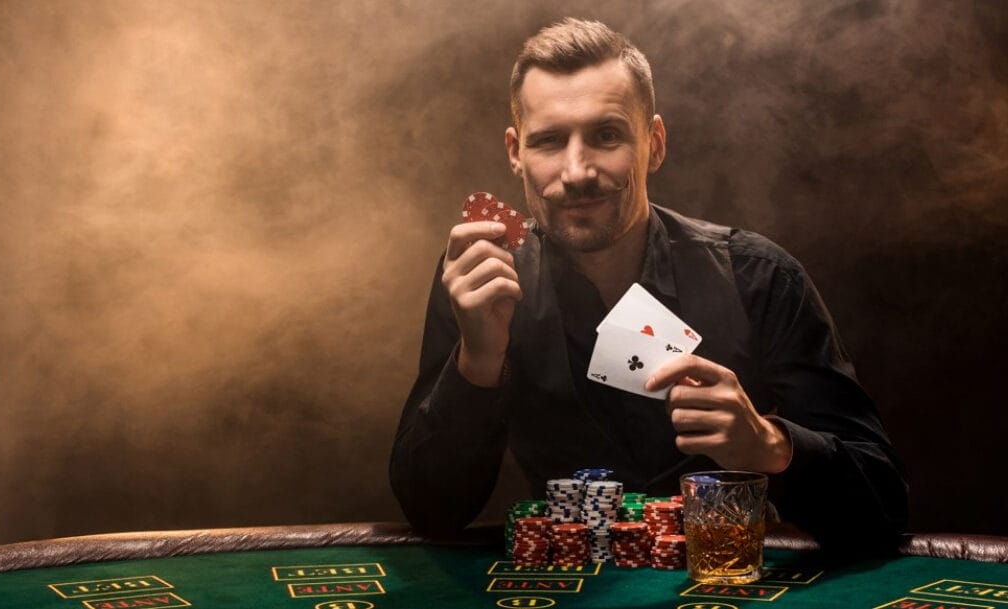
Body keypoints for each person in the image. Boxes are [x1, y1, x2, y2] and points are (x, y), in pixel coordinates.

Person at [389, 17, 907, 550]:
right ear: (516, 153)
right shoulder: (479, 278)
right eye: (548, 141)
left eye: (606, 135)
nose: (577, 170)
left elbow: (885, 507)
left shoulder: (759, 277)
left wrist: (770, 446)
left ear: (654, 144)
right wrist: (478, 360)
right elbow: (431, 511)